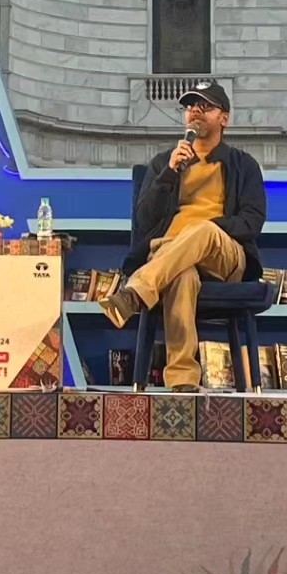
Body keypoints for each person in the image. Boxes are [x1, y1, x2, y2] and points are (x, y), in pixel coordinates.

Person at [99, 79, 267, 391]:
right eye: (190, 107)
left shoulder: (243, 165)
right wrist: (169, 174)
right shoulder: (164, 163)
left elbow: (252, 221)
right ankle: (182, 382)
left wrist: (212, 229)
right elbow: (145, 219)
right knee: (181, 275)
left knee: (201, 229)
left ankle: (135, 291)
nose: (195, 112)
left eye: (205, 107)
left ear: (224, 118)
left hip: (224, 255)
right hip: (170, 254)